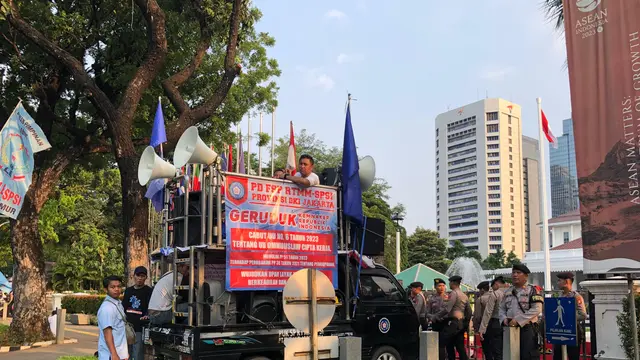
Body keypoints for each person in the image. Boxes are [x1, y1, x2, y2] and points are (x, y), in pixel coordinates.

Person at [499, 264, 544, 360]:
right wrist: (504, 319)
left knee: (527, 356)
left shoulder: (533, 290)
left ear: (526, 276)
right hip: (509, 328)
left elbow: (537, 309)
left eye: (518, 273)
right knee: (510, 356)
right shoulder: (508, 291)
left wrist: (518, 320)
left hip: (527, 329)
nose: (515, 275)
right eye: (513, 272)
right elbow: (501, 308)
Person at [433, 275, 469, 360]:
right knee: (459, 346)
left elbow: (447, 309)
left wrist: (436, 316)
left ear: (453, 283)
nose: (448, 284)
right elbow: (469, 311)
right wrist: (465, 323)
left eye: (449, 282)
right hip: (461, 323)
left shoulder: (454, 293)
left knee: (443, 342)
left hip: (453, 322)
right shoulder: (464, 295)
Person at [553, 272, 586, 360]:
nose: (558, 283)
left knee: (573, 356)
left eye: (559, 280)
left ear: (566, 281)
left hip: (573, 331)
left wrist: (568, 316)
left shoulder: (576, 296)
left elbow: (583, 315)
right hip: (560, 331)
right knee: (557, 356)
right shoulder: (559, 296)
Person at [123, 266, 153, 360]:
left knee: (137, 354)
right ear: (133, 276)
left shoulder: (149, 291)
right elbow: (123, 307)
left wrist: (147, 316)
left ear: (146, 278)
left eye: (142, 276)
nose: (140, 278)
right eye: (138, 275)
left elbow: (151, 308)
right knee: (126, 354)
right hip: (127, 327)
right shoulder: (128, 291)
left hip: (139, 327)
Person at [97, 275, 129, 360]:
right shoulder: (107, 308)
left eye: (119, 286)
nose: (116, 289)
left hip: (120, 353)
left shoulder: (118, 304)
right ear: (105, 289)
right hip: (110, 355)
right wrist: (114, 354)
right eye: (112, 287)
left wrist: (125, 353)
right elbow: (107, 333)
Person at [478, 277, 505, 360]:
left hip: (496, 323)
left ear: (496, 284)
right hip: (511, 323)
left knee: (496, 350)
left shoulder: (496, 294)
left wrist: (482, 329)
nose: (492, 290)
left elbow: (488, 312)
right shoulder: (511, 292)